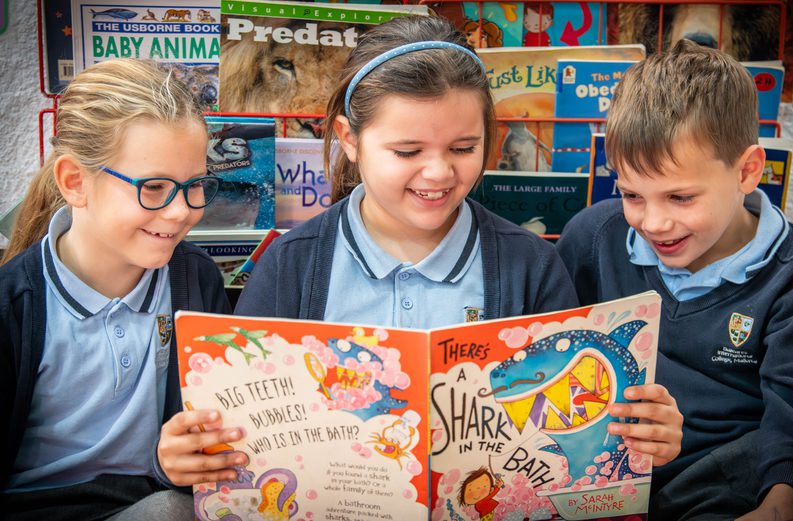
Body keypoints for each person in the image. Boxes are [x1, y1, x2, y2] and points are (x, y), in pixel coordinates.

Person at [235, 13, 682, 478]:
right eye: (408, 152)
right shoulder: (291, 266)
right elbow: (244, 429)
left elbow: (567, 428)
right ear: (349, 139)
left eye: (463, 148)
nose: (439, 173)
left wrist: (636, 434)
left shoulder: (531, 266)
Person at [556, 39, 793, 520]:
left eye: (680, 197)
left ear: (748, 171)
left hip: (730, 473)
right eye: (631, 194)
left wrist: (782, 497)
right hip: (603, 465)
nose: (653, 223)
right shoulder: (593, 237)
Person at [0, 59, 234, 520]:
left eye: (195, 186)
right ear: (75, 182)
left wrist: (180, 461)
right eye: (153, 187)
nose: (179, 212)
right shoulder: (14, 306)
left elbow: (197, 444)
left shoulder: (197, 279)